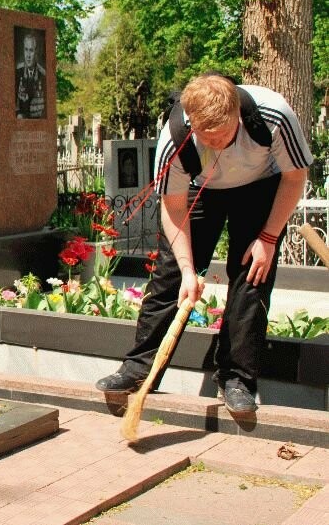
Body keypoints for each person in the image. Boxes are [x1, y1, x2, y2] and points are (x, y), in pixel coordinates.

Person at [95, 73, 313, 413]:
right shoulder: (175, 137)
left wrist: (268, 238)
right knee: (169, 277)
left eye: (223, 136)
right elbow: (173, 207)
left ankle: (237, 377)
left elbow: (295, 176)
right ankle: (139, 368)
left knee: (252, 276)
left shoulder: (274, 115)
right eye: (206, 138)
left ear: (237, 114)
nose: (216, 145)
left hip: (261, 186)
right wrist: (187, 270)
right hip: (200, 188)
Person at [15, 31, 45, 119]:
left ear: (36, 52)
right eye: (26, 50)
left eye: (31, 50)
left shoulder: (42, 74)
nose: (28, 55)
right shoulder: (18, 72)